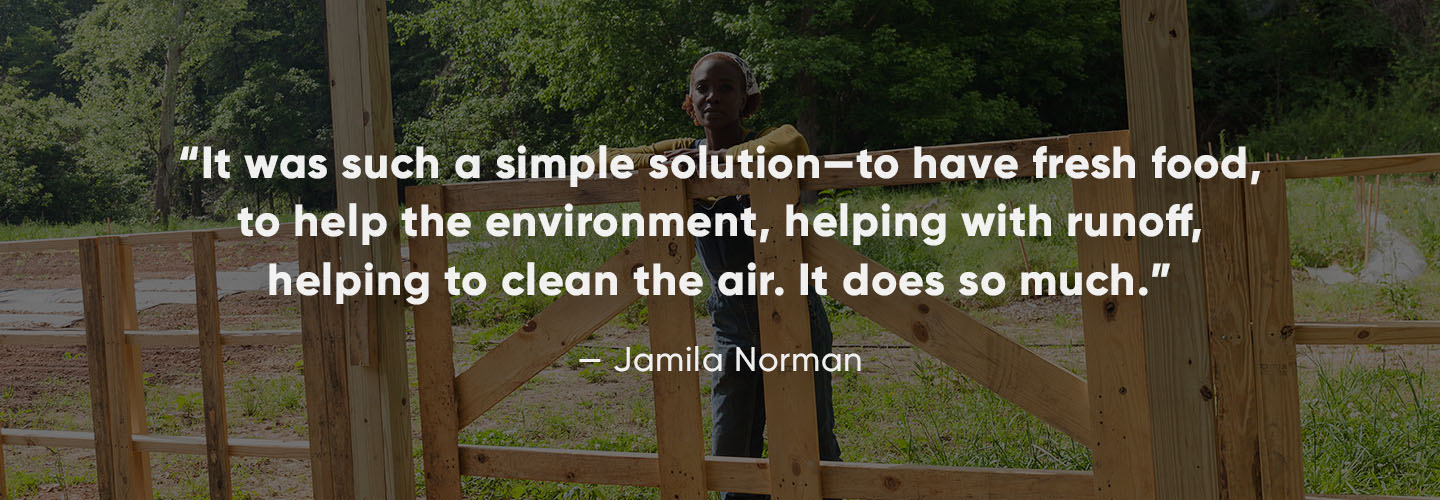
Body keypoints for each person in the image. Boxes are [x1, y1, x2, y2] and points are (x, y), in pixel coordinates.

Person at [597, 51, 842, 500]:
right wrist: (671, 160)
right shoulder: (682, 155)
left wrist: (714, 163)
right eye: (702, 89)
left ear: (747, 97)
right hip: (730, 320)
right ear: (689, 102)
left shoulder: (769, 139)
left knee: (812, 437)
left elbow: (791, 140)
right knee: (731, 442)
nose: (713, 96)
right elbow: (607, 160)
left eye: (726, 87)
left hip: (794, 313)